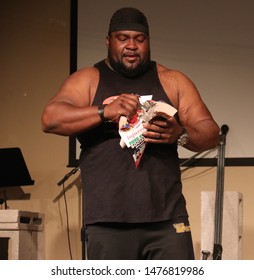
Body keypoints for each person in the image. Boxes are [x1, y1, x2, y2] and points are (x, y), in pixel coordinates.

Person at [41, 7, 220, 260]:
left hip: (167, 219)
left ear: (148, 42)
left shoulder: (172, 80)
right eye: (123, 38)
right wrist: (105, 110)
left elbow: (211, 132)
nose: (132, 45)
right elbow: (50, 118)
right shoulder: (89, 79)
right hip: (108, 220)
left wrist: (180, 135)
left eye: (139, 39)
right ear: (108, 41)